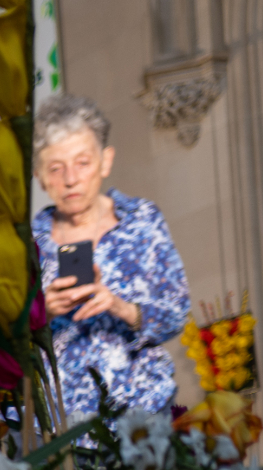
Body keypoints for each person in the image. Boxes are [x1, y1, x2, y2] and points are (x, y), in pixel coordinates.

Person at [32, 94, 192, 416]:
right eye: (56, 168)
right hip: (61, 426)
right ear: (39, 176)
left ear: (105, 161)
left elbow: (176, 314)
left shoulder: (141, 220)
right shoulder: (26, 243)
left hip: (141, 417)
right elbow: (1, 345)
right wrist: (42, 313)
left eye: (82, 163)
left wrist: (121, 307)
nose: (71, 179)